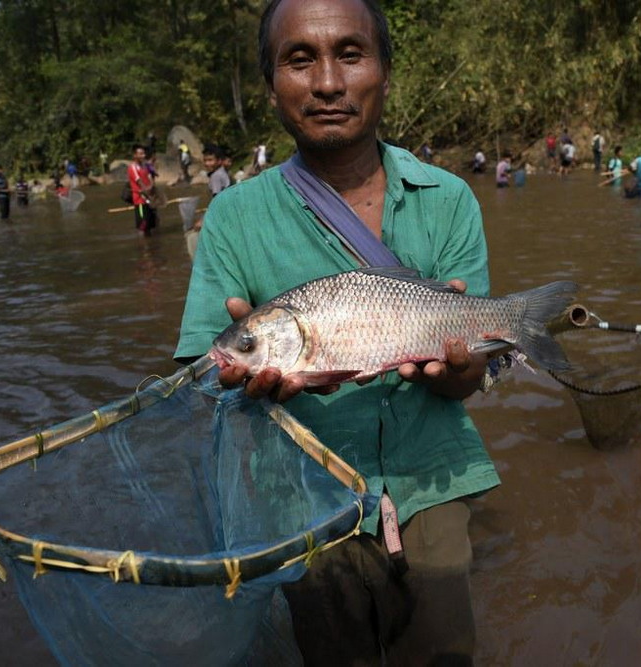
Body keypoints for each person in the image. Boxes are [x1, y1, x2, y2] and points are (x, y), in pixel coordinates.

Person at [175, 0, 499, 661]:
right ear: (272, 85)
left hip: (433, 479)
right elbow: (200, 378)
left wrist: (465, 372)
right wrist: (240, 381)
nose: (327, 81)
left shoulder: (450, 199)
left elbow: (475, 374)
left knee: (445, 650)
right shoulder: (233, 216)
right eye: (299, 60)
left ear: (383, 71)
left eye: (350, 54)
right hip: (302, 503)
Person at [186, 144, 231, 260]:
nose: (207, 164)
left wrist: (203, 221)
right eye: (205, 160)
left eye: (210, 160)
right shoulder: (223, 173)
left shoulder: (216, 176)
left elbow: (217, 201)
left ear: (219, 161)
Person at [128, 144, 157, 237]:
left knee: (151, 224)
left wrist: (152, 187)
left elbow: (151, 176)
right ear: (135, 155)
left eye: (143, 153)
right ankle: (144, 248)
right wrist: (148, 190)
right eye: (140, 154)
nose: (143, 156)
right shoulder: (133, 167)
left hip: (149, 198)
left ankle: (151, 247)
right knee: (143, 225)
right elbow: (139, 182)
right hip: (140, 200)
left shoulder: (146, 165)